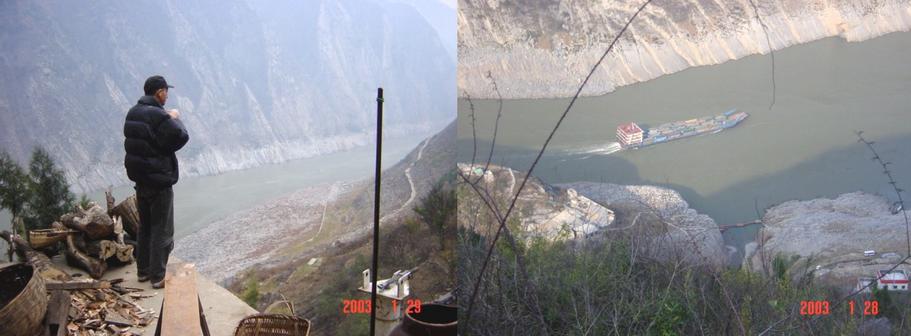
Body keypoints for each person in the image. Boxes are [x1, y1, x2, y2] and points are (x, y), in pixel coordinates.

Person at [123, 75, 189, 289]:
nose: (167, 95)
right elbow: (180, 136)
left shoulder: (133, 112)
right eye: (165, 92)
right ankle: (158, 276)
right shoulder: (158, 115)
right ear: (159, 92)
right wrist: (174, 118)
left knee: (145, 227)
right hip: (159, 181)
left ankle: (142, 271)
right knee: (162, 228)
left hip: (140, 181)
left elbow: (146, 142)